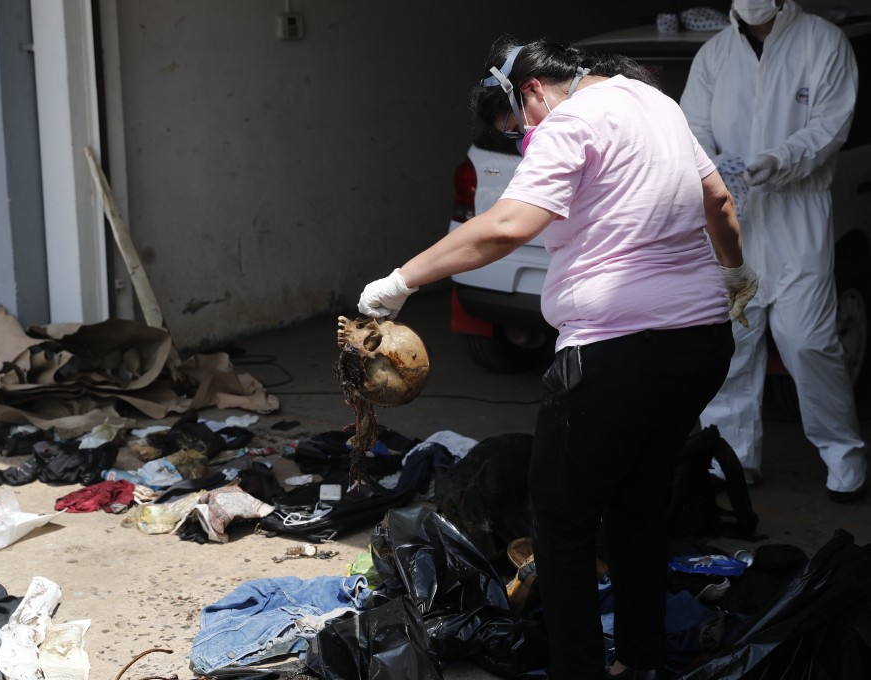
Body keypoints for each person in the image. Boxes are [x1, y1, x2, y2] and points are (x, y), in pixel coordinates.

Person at [356, 37, 756, 680]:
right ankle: (640, 660)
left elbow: (506, 227)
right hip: (700, 345)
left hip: (616, 353)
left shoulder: (569, 118)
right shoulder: (658, 104)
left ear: (533, 91)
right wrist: (734, 274)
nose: (525, 142)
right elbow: (720, 204)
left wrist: (401, 281)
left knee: (561, 523)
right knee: (639, 506)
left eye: (519, 127)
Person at [680, 0, 867, 502]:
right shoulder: (715, 54)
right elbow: (691, 126)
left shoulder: (823, 42)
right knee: (733, 347)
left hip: (797, 216)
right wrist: (714, 167)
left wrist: (778, 160)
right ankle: (734, 460)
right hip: (732, 220)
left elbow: (831, 125)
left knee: (809, 342)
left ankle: (844, 455)